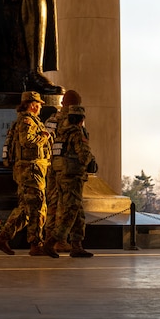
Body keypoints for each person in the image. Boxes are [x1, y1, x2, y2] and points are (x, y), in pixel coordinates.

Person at [0, 90, 54, 257]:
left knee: (27, 208)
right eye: (39, 104)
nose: (40, 107)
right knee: (36, 207)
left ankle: (3, 237)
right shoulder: (27, 121)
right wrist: (44, 136)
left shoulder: (31, 121)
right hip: (30, 170)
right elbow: (28, 142)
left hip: (33, 169)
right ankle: (35, 244)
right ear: (33, 104)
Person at [43, 104, 96, 259]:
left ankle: (77, 245)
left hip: (61, 175)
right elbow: (84, 155)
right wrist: (90, 161)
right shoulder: (78, 133)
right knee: (70, 212)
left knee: (78, 212)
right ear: (81, 119)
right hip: (73, 177)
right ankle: (51, 241)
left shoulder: (61, 133)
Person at [43, 89, 83, 253]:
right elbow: (80, 145)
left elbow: (45, 142)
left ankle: (49, 238)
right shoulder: (75, 119)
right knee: (71, 206)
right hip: (70, 169)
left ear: (61, 103)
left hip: (53, 167)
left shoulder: (52, 119)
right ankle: (66, 241)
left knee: (53, 203)